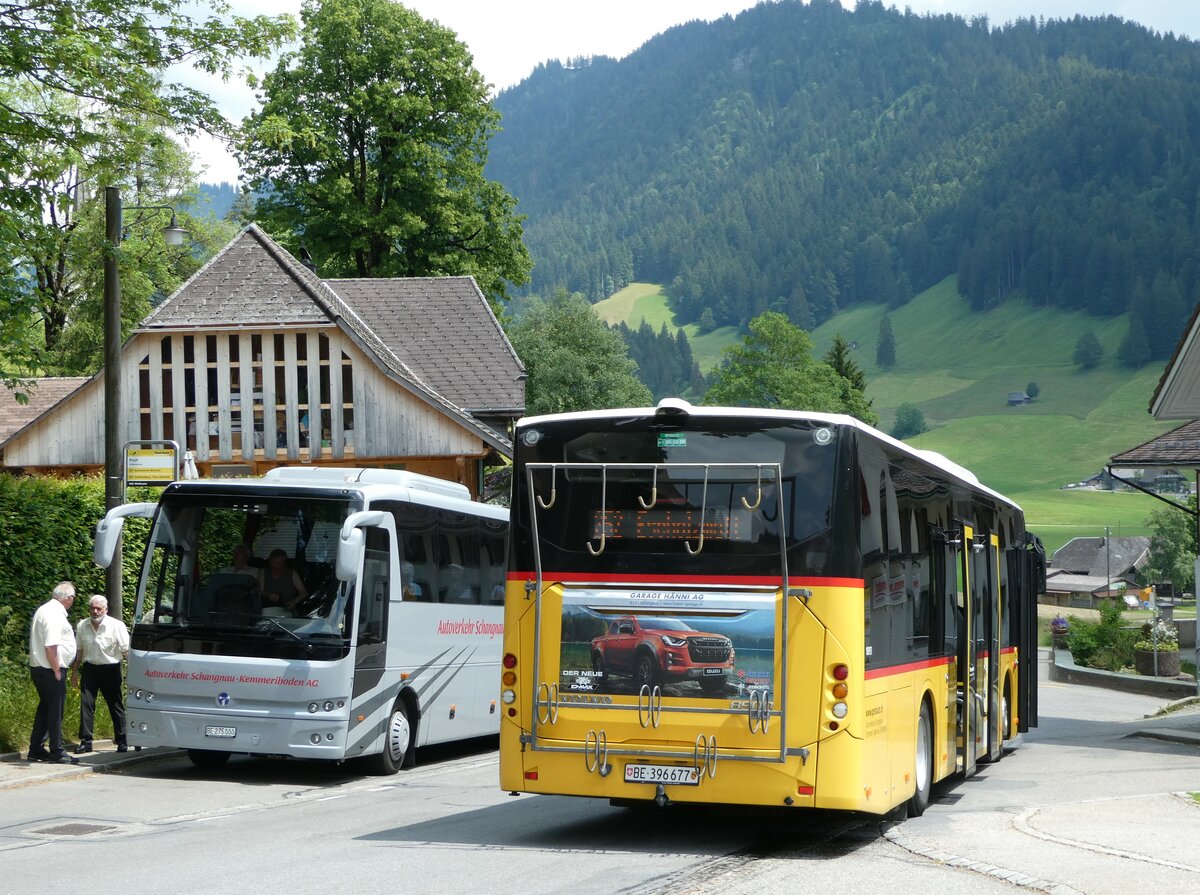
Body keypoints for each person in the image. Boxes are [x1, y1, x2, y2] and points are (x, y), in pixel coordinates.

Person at [69, 595, 130, 754]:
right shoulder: (82, 625)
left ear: (106, 610)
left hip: (111, 668)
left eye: (98, 609)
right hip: (90, 669)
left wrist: (132, 672)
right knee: (86, 704)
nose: (95, 611)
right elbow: (79, 650)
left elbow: (126, 651)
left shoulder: (117, 625)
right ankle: (86, 741)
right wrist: (75, 672)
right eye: (92, 608)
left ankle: (122, 739)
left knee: (115, 704)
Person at [27, 581, 78, 764]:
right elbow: (51, 646)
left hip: (40, 667)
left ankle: (36, 749)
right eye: (72, 598)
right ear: (68, 598)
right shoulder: (54, 614)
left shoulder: (45, 609)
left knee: (45, 709)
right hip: (50, 668)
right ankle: (56, 751)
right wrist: (57, 670)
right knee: (56, 710)